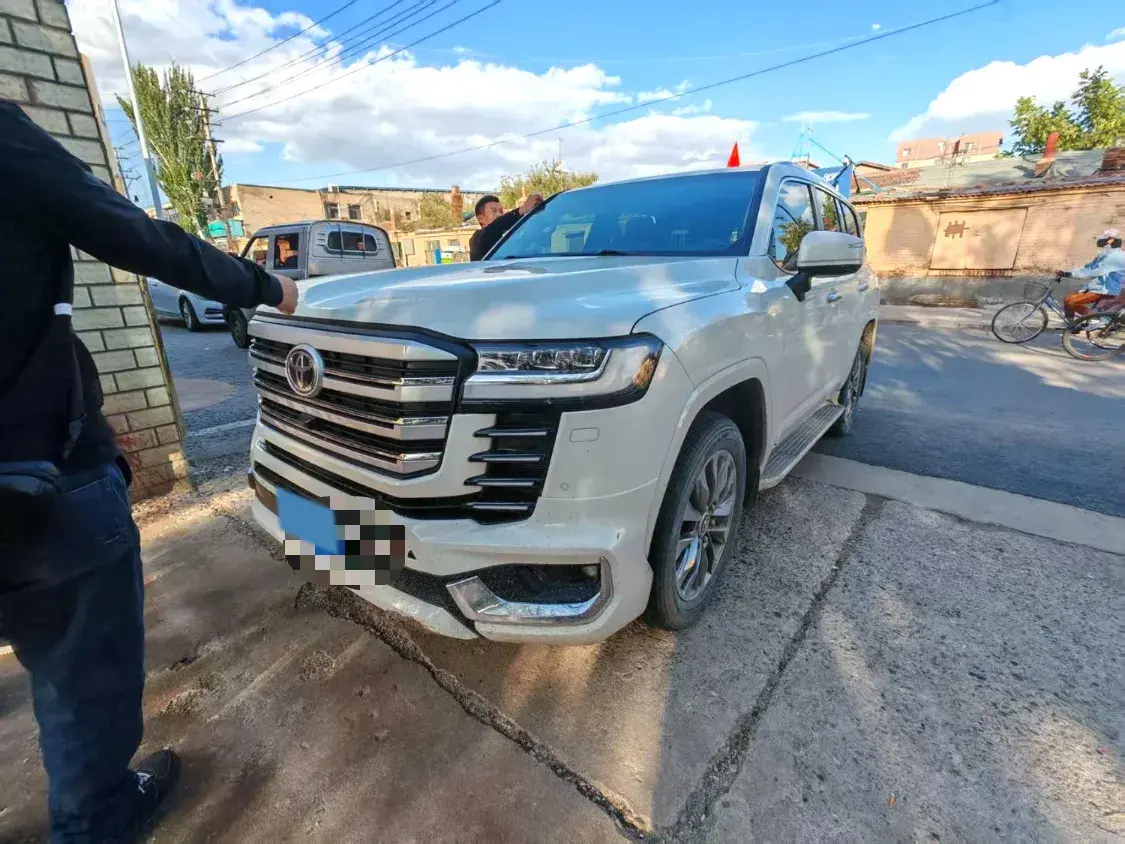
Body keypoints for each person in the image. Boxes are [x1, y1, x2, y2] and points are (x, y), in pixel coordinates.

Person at [0, 101, 298, 841]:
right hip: (35, 482)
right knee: (80, 678)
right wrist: (266, 287)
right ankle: (96, 816)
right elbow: (133, 232)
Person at [1059, 229, 1125, 323]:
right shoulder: (1105, 255)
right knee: (1067, 299)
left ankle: (1092, 320)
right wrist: (1067, 272)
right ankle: (1072, 325)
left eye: (1101, 240)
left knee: (1071, 301)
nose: (1099, 243)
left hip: (1105, 289)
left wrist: (1070, 274)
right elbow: (1087, 268)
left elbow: (1094, 272)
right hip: (1097, 287)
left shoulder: (1116, 257)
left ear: (1110, 240)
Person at [469, 192, 543, 261]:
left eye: (501, 211)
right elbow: (496, 226)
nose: (499, 214)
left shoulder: (506, 241)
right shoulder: (478, 238)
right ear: (480, 218)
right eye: (494, 211)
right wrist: (523, 209)